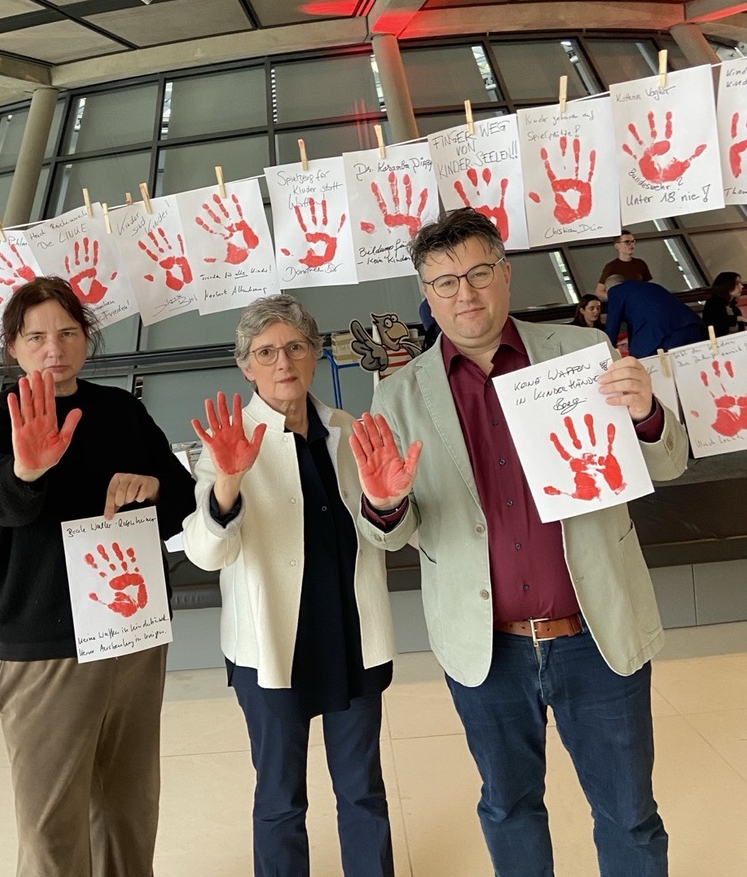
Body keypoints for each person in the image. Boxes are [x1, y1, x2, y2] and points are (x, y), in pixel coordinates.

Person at [350, 208, 687, 877]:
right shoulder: (397, 397)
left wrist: (646, 413)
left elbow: (669, 463)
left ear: (504, 274)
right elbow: (390, 534)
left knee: (629, 814)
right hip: (485, 645)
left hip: (597, 631)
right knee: (507, 808)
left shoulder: (579, 355)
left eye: (478, 272)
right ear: (426, 291)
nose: (464, 294)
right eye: (443, 282)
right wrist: (384, 504)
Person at [0, 277, 195, 877]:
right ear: (12, 347)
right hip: (48, 644)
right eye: (35, 336)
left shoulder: (120, 410)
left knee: (128, 809)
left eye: (66, 332)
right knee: (51, 825)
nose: (53, 348)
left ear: (86, 338)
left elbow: (184, 497)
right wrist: (26, 470)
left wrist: (156, 487)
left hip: (133, 632)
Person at [182, 293, 397, 877]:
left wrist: (389, 503)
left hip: (352, 637)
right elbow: (205, 551)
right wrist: (227, 481)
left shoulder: (345, 430)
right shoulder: (227, 442)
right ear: (246, 365)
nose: (284, 362)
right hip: (273, 647)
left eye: (296, 347)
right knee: (280, 800)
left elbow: (386, 536)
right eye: (266, 352)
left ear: (317, 353)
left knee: (364, 791)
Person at [604, 274, 704, 358]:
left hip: (663, 337)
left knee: (642, 366)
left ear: (608, 289)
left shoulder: (615, 291)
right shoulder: (650, 286)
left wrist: (606, 352)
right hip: (692, 326)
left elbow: (612, 325)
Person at [595, 230, 652, 299]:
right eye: (627, 242)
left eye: (633, 241)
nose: (632, 245)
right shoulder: (611, 267)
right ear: (617, 246)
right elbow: (599, 292)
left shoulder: (640, 263)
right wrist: (618, 299)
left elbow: (646, 286)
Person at [701, 271, 745, 337]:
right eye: (737, 283)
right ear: (727, 285)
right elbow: (718, 323)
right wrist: (739, 318)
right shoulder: (713, 303)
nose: (741, 286)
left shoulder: (735, 309)